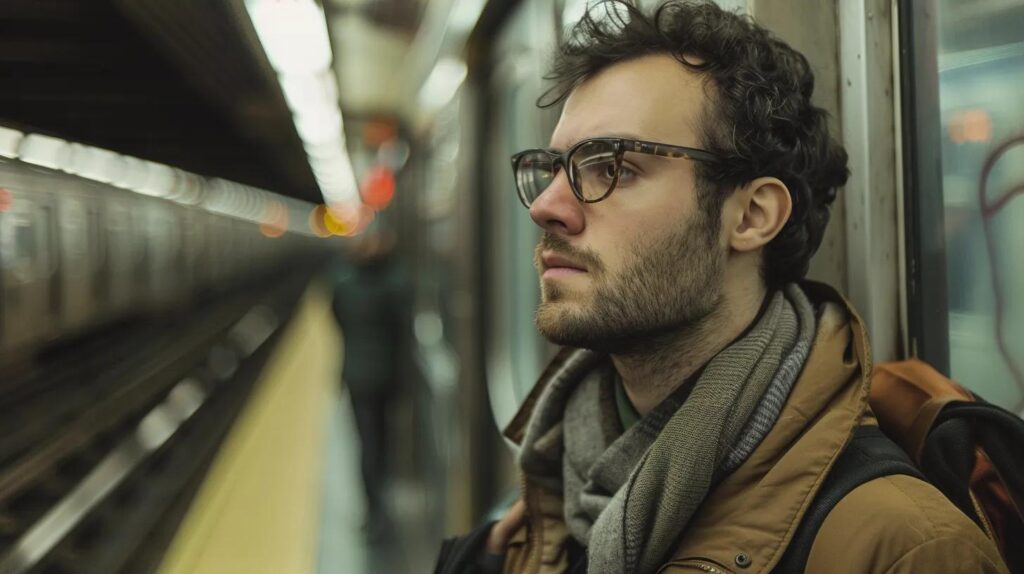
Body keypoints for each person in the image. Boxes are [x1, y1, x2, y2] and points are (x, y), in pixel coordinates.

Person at [440, 1, 1009, 573]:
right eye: (555, 166)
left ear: (751, 216)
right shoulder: (551, 492)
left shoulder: (902, 549)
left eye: (612, 166)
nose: (545, 207)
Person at [331, 230, 410, 542]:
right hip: (388, 375)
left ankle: (371, 507)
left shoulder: (343, 284)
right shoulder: (395, 284)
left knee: (366, 441)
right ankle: (383, 500)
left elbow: (337, 319)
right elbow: (402, 321)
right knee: (384, 437)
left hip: (356, 376)